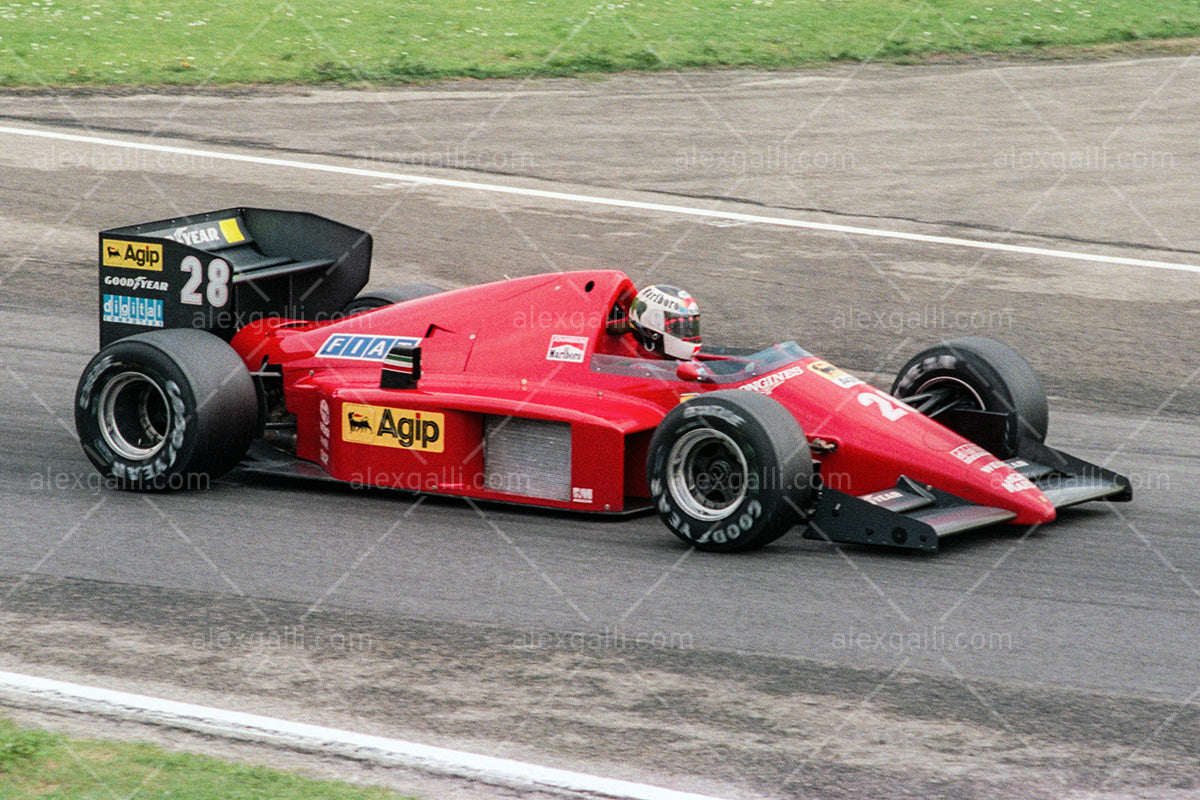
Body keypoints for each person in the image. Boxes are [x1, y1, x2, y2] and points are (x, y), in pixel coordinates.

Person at [625, 284, 701, 360]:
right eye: (677, 326)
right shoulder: (641, 368)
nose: (689, 332)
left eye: (692, 325)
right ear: (650, 333)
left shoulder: (678, 361)